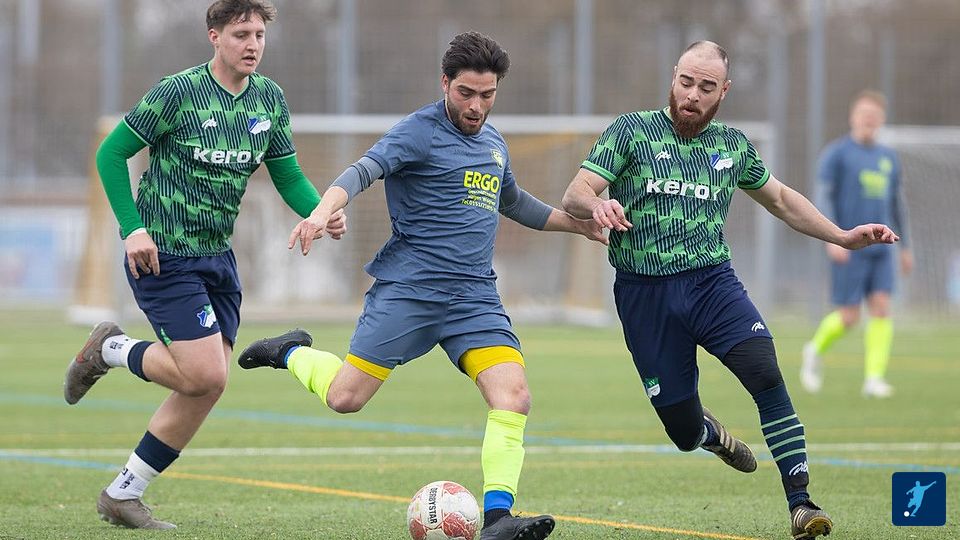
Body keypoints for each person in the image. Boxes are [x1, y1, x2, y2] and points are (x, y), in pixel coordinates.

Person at [239, 31, 604, 540]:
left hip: (474, 298)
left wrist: (579, 225)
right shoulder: (418, 132)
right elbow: (362, 171)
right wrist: (321, 213)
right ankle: (288, 352)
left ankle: (498, 519)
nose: (476, 106)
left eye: (487, 95)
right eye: (466, 93)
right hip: (410, 292)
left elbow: (515, 202)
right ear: (445, 83)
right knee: (345, 397)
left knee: (514, 396)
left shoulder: (494, 144)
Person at [561, 41, 900, 539]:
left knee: (765, 371)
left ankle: (801, 503)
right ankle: (710, 434)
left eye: (706, 87)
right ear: (673, 77)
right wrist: (596, 204)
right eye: (686, 82)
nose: (692, 95)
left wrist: (842, 236)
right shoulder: (631, 131)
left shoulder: (734, 147)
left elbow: (781, 200)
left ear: (724, 91)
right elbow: (575, 192)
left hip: (711, 285)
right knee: (682, 430)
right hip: (644, 295)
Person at [63, 0, 345, 529]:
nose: (252, 44)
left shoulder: (269, 99)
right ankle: (110, 349)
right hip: (162, 253)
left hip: (218, 259)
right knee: (205, 373)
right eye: (241, 34)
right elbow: (111, 154)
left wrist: (320, 212)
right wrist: (132, 229)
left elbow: (287, 176)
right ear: (214, 36)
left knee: (208, 384)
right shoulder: (179, 92)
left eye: (259, 34)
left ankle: (124, 492)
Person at [801, 90, 912, 399]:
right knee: (849, 316)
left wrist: (906, 248)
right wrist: (833, 237)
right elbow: (823, 197)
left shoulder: (888, 158)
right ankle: (814, 349)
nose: (869, 120)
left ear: (881, 120)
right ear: (853, 116)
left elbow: (897, 205)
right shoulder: (836, 154)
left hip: (883, 248)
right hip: (850, 246)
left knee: (882, 308)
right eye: (864, 114)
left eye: (874, 116)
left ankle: (874, 379)